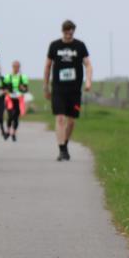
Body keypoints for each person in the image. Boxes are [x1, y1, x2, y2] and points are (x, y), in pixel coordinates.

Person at [44, 19, 93, 161]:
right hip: (58, 89)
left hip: (74, 89)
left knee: (71, 121)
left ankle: (65, 143)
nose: (68, 35)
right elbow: (47, 66)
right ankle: (62, 149)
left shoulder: (80, 46)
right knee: (59, 118)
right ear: (62, 31)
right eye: (66, 33)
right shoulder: (54, 46)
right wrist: (45, 86)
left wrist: (88, 81)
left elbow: (88, 65)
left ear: (74, 32)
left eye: (71, 33)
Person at [1, 60, 30, 142]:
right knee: (10, 115)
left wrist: (23, 88)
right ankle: (8, 131)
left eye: (17, 66)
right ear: (12, 67)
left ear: (19, 67)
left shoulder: (23, 77)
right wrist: (5, 90)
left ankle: (13, 133)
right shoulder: (7, 76)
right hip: (9, 98)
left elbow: (26, 89)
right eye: (14, 66)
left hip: (18, 99)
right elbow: (3, 87)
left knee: (16, 117)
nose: (16, 68)